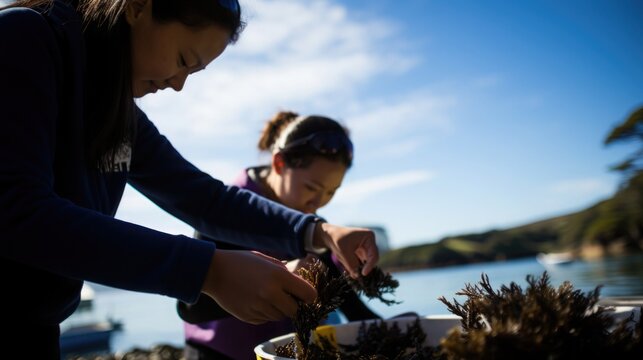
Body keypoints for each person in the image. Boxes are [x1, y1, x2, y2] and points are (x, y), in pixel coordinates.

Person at [0, 0, 379, 357]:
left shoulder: (119, 116)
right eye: (183, 60)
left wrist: (318, 232)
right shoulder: (24, 39)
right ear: (136, 7)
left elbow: (202, 198)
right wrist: (207, 270)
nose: (178, 85)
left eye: (192, 73)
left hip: (37, 328)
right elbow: (16, 211)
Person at [179, 111, 382, 359]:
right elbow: (191, 308)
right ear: (279, 164)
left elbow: (344, 298)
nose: (318, 203)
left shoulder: (312, 226)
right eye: (311, 188)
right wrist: (278, 274)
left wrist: (385, 329)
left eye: (331, 192)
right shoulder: (228, 212)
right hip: (217, 353)